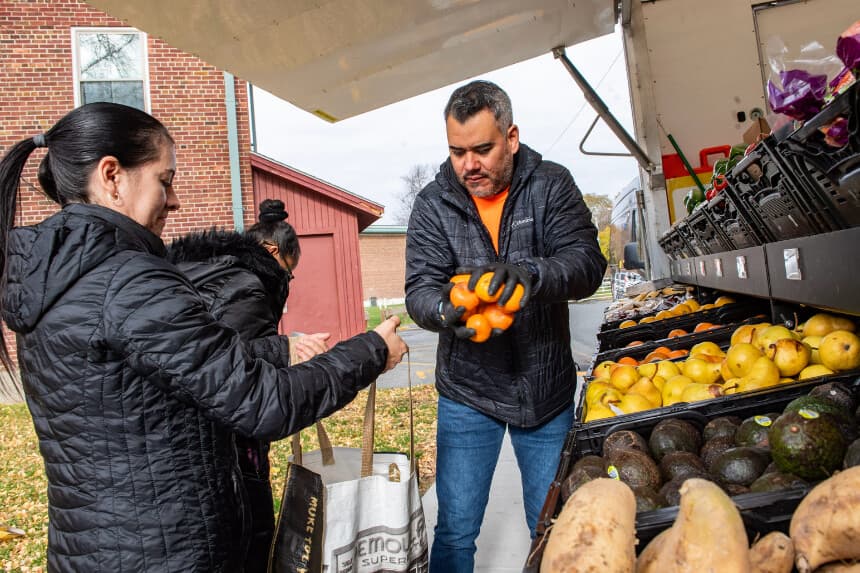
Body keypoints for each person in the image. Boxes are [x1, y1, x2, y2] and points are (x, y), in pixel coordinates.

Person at [0, 102, 408, 572]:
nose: (174, 201)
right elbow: (264, 403)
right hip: (164, 551)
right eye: (165, 180)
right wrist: (372, 350)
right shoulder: (130, 282)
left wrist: (279, 347)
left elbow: (163, 369)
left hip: (89, 549)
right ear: (112, 176)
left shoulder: (55, 277)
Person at [404, 80, 606, 571]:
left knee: (552, 525)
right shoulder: (433, 204)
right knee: (454, 531)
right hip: (467, 393)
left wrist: (533, 274)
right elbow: (420, 290)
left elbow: (586, 263)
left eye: (482, 149)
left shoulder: (551, 184)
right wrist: (442, 312)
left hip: (545, 391)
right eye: (456, 152)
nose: (468, 165)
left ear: (511, 138)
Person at [165, 199, 327, 573]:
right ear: (272, 252)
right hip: (233, 443)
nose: (286, 283)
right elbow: (235, 366)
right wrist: (287, 348)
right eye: (288, 272)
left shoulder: (199, 269)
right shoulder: (249, 286)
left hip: (180, 441)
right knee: (252, 534)